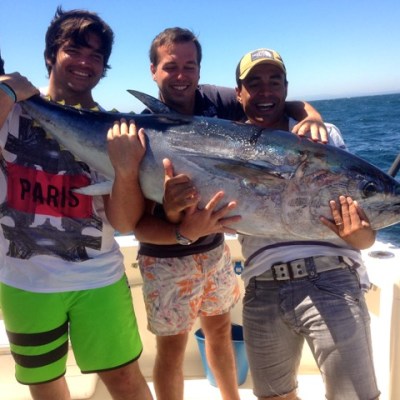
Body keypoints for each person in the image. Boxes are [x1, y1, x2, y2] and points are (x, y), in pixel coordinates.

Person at [130, 27, 328, 400]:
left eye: (190, 66)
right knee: (172, 351)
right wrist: (181, 227)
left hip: (215, 250)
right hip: (166, 258)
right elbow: (137, 223)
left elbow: (272, 100)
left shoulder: (215, 101)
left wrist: (312, 114)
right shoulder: (139, 128)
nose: (181, 75)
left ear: (200, 70)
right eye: (171, 66)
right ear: (153, 70)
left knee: (219, 331)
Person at [0, 8, 152, 400]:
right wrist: (9, 89)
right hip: (23, 280)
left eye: (97, 57)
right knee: (45, 383)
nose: (86, 62)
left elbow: (122, 220)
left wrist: (125, 170)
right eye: (74, 50)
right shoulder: (12, 112)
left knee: (124, 377)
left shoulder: (116, 130)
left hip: (97, 279)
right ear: (51, 55)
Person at [235, 48, 380, 400]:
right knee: (273, 396)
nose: (265, 91)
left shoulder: (321, 135)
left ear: (287, 88)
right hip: (261, 286)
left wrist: (358, 233)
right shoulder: (222, 143)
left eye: (274, 81)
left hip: (330, 277)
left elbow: (365, 238)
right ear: (238, 93)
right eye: (254, 83)